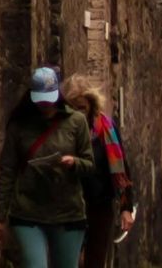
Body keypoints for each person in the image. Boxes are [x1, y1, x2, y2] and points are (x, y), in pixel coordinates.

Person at [0, 66, 97, 268]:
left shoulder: (76, 122)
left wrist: (74, 163)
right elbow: (6, 172)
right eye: (40, 99)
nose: (45, 105)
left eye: (49, 99)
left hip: (67, 213)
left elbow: (90, 164)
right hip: (28, 213)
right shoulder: (19, 126)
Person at [63, 74, 138, 268]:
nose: (78, 113)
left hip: (100, 205)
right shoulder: (61, 130)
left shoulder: (106, 129)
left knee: (95, 260)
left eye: (82, 108)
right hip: (69, 206)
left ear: (91, 106)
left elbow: (122, 169)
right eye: (73, 108)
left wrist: (126, 208)